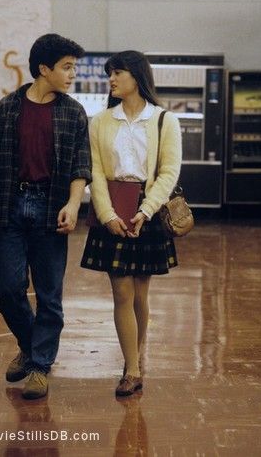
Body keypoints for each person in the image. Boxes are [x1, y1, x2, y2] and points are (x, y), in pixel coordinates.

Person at [0, 34, 92, 399]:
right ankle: (32, 347)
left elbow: (80, 166)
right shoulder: (8, 107)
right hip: (10, 205)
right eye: (67, 67)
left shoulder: (73, 112)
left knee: (49, 294)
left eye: (74, 67)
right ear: (44, 69)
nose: (73, 74)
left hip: (51, 209)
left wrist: (73, 205)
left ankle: (40, 366)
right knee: (7, 287)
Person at [81, 50, 182, 396]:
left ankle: (135, 357)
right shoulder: (99, 122)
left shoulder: (164, 120)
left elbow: (168, 171)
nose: (111, 79)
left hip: (147, 209)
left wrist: (148, 209)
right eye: (110, 74)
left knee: (141, 293)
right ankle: (133, 368)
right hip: (113, 205)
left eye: (117, 73)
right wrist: (107, 215)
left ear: (136, 76)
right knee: (121, 290)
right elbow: (95, 171)